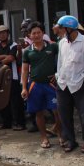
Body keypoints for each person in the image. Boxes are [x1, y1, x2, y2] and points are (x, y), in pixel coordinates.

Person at [54, 15, 84, 153]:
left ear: (69, 28)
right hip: (63, 84)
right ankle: (71, 141)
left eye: (62, 28)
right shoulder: (62, 43)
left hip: (79, 84)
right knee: (64, 114)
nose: (60, 31)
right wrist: (58, 76)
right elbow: (60, 62)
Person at [20, 21, 62, 149]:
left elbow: (64, 60)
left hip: (51, 84)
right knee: (38, 112)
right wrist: (24, 88)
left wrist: (58, 75)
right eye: (34, 33)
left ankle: (61, 134)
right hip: (34, 85)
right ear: (30, 35)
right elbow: (25, 70)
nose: (37, 35)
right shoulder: (27, 51)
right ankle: (44, 137)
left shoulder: (53, 47)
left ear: (43, 33)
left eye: (39, 32)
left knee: (57, 111)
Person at [0, 25, 26, 131]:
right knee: (3, 101)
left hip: (13, 76)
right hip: (0, 77)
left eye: (4, 32)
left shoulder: (14, 45)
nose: (2, 35)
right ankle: (6, 122)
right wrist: (4, 57)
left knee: (15, 101)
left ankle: (19, 122)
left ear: (8, 33)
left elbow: (11, 58)